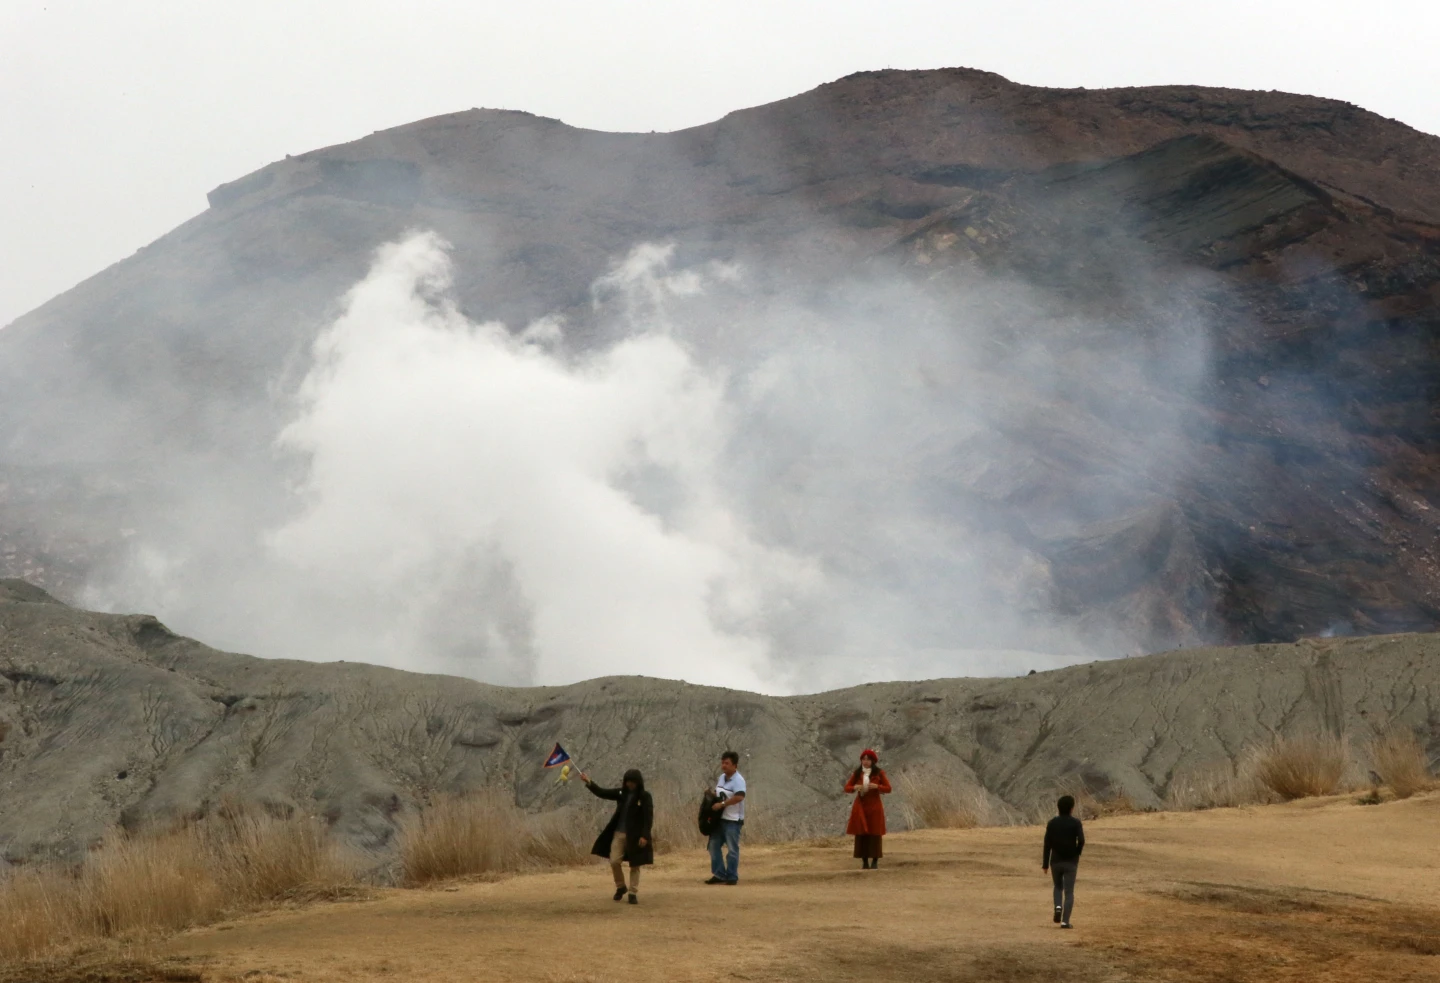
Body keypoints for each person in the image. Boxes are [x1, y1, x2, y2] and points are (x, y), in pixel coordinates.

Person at [579, 768, 653, 905]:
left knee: (635, 865)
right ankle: (621, 886)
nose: (630, 785)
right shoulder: (621, 793)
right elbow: (602, 792)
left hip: (635, 836)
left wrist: (645, 836)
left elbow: (648, 818)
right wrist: (589, 782)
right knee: (614, 861)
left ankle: (632, 892)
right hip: (619, 833)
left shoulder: (645, 797)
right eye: (628, 782)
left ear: (638, 782)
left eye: (632, 782)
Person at [1042, 794, 1085, 928]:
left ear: (1058, 807)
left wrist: (1045, 864)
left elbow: (1047, 844)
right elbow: (1082, 840)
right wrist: (1077, 852)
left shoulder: (1052, 823)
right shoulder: (1076, 823)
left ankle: (1058, 907)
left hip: (1055, 861)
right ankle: (1065, 921)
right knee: (1069, 891)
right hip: (1071, 861)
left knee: (1058, 887)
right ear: (1072, 808)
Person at [844, 749, 891, 869]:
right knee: (861, 833)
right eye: (863, 759)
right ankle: (864, 861)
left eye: (868, 759)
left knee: (875, 833)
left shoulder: (879, 773)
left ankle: (875, 860)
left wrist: (877, 786)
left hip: (875, 807)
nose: (865, 762)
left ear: (873, 761)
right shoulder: (857, 773)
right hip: (861, 806)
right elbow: (847, 788)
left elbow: (888, 788)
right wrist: (855, 787)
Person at [705, 750, 746, 885]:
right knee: (713, 846)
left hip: (733, 820)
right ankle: (719, 874)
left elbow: (739, 797)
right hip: (720, 819)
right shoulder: (721, 777)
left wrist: (722, 804)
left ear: (735, 765)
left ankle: (732, 876)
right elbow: (719, 794)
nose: (724, 766)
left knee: (732, 849)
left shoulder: (738, 780)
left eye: (727, 763)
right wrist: (710, 796)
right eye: (722, 763)